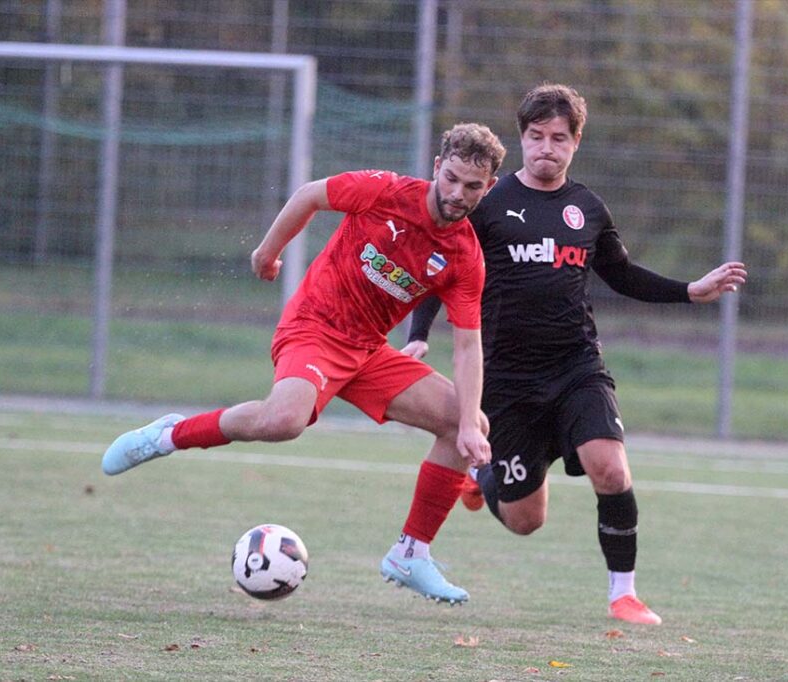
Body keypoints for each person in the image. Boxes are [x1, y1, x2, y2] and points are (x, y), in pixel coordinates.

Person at [101, 122, 507, 605]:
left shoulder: (464, 256)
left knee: (467, 419)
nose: (457, 194)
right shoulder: (384, 191)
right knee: (283, 420)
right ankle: (169, 434)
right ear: (437, 167)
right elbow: (310, 195)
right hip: (315, 326)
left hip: (368, 350)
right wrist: (267, 253)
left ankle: (410, 554)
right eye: (452, 178)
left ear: (490, 187)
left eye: (472, 186)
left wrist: (468, 429)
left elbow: (467, 346)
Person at [404, 84, 747, 624]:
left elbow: (622, 274)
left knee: (609, 468)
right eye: (536, 136)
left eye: (558, 138)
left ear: (576, 142)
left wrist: (690, 290)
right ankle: (483, 480)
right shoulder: (488, 204)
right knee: (525, 521)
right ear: (521, 138)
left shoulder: (586, 208)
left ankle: (623, 594)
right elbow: (440, 267)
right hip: (506, 381)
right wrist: (419, 329)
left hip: (576, 368)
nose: (547, 147)